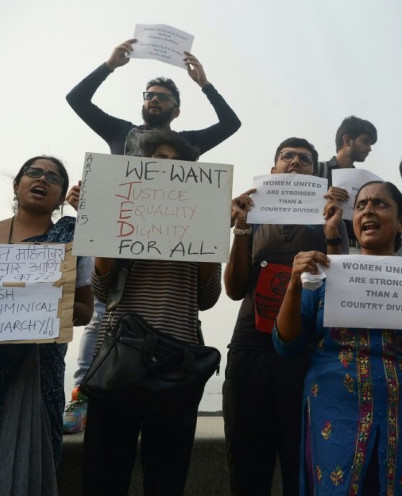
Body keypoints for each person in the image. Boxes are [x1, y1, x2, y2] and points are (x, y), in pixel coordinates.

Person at [274, 181, 402, 495]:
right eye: (361, 205)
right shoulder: (324, 274)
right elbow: (286, 345)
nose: (368, 211)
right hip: (334, 411)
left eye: (380, 204)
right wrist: (294, 285)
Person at [81, 131, 222, 496]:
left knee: (167, 479)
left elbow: (207, 298)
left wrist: (211, 230)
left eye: (177, 163)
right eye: (159, 159)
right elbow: (100, 287)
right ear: (141, 167)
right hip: (119, 360)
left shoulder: (201, 222)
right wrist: (101, 223)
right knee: (103, 476)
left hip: (176, 366)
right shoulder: (121, 208)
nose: (168, 167)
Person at [223, 138, 345, 496]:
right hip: (251, 347)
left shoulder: (328, 219)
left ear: (315, 174)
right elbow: (233, 289)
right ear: (272, 169)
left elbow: (340, 292)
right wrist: (242, 226)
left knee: (300, 464)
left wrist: (333, 231)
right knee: (246, 463)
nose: (294, 163)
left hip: (304, 353)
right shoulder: (253, 218)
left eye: (304, 160)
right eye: (286, 157)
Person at [0, 156, 93, 494]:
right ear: (17, 184)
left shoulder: (70, 238)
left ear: (60, 198)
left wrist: (45, 311)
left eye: (54, 178)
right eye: (34, 172)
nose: (42, 179)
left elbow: (86, 309)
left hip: (38, 371)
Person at [66, 38, 241, 156]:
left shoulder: (187, 142)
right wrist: (109, 66)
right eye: (149, 95)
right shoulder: (119, 132)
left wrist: (205, 85)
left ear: (176, 112)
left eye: (164, 97)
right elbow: (77, 99)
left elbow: (231, 124)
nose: (155, 99)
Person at [317, 116, 378, 250]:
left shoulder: (364, 181)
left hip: (352, 251)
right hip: (318, 245)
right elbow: (298, 206)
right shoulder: (317, 170)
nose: (369, 148)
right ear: (347, 140)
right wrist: (322, 197)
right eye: (365, 142)